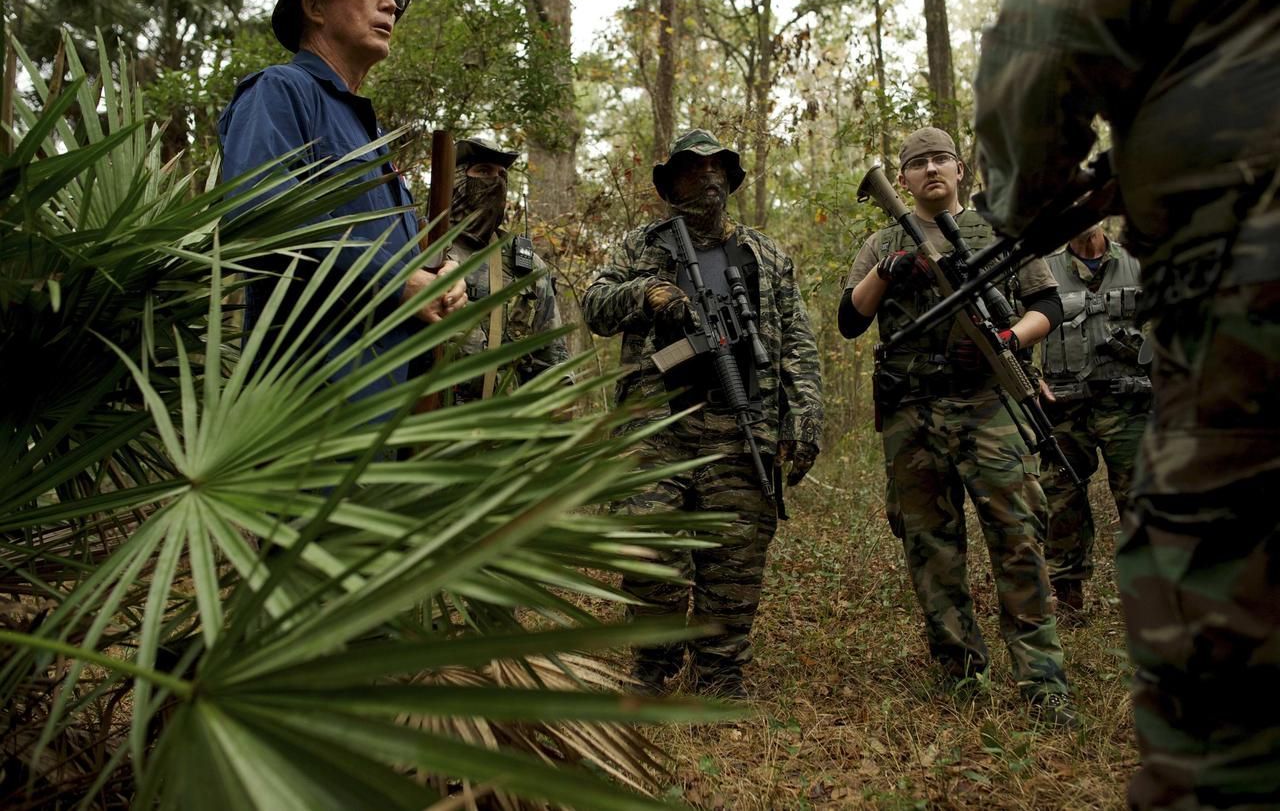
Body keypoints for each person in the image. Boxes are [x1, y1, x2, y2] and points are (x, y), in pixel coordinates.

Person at [973, 0, 1280, 805]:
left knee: (1223, 634)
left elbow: (1038, 73)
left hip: (1245, 289)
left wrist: (1028, 191)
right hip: (1096, 391)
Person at [838, 127, 1076, 725]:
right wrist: (890, 270)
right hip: (911, 413)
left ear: (961, 168)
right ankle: (958, 674)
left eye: (940, 159)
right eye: (916, 164)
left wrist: (1006, 338)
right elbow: (849, 318)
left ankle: (1043, 683)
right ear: (904, 178)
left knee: (1018, 538)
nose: (930, 171)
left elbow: (1047, 306)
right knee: (931, 548)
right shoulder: (881, 241)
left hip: (988, 404)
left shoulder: (1002, 232)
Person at [582, 129, 823, 698]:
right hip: (656, 426)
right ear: (672, 182)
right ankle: (652, 663)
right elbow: (595, 305)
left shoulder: (765, 254)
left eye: (719, 168)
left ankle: (720, 670)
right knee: (650, 549)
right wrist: (646, 294)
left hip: (741, 423)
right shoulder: (641, 246)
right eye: (695, 169)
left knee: (735, 557)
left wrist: (802, 421)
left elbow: (797, 341)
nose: (709, 178)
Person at [218, 0, 465, 402]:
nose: (389, 3)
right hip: (304, 409)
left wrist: (436, 280)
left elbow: (388, 261)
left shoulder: (371, 138)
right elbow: (260, 218)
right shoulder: (281, 90)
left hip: (381, 415)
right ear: (313, 4)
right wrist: (398, 281)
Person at [1037, 224, 1149, 624]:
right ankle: (1068, 600)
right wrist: (1029, 377)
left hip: (1130, 406)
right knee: (1061, 499)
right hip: (1064, 410)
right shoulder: (1041, 270)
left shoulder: (1138, 263)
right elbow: (1012, 329)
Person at [445, 137, 570, 403]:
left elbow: (551, 362)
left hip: (502, 429)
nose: (496, 182)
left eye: (502, 175)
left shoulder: (525, 266)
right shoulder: (419, 247)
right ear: (456, 179)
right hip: (419, 428)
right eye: (483, 171)